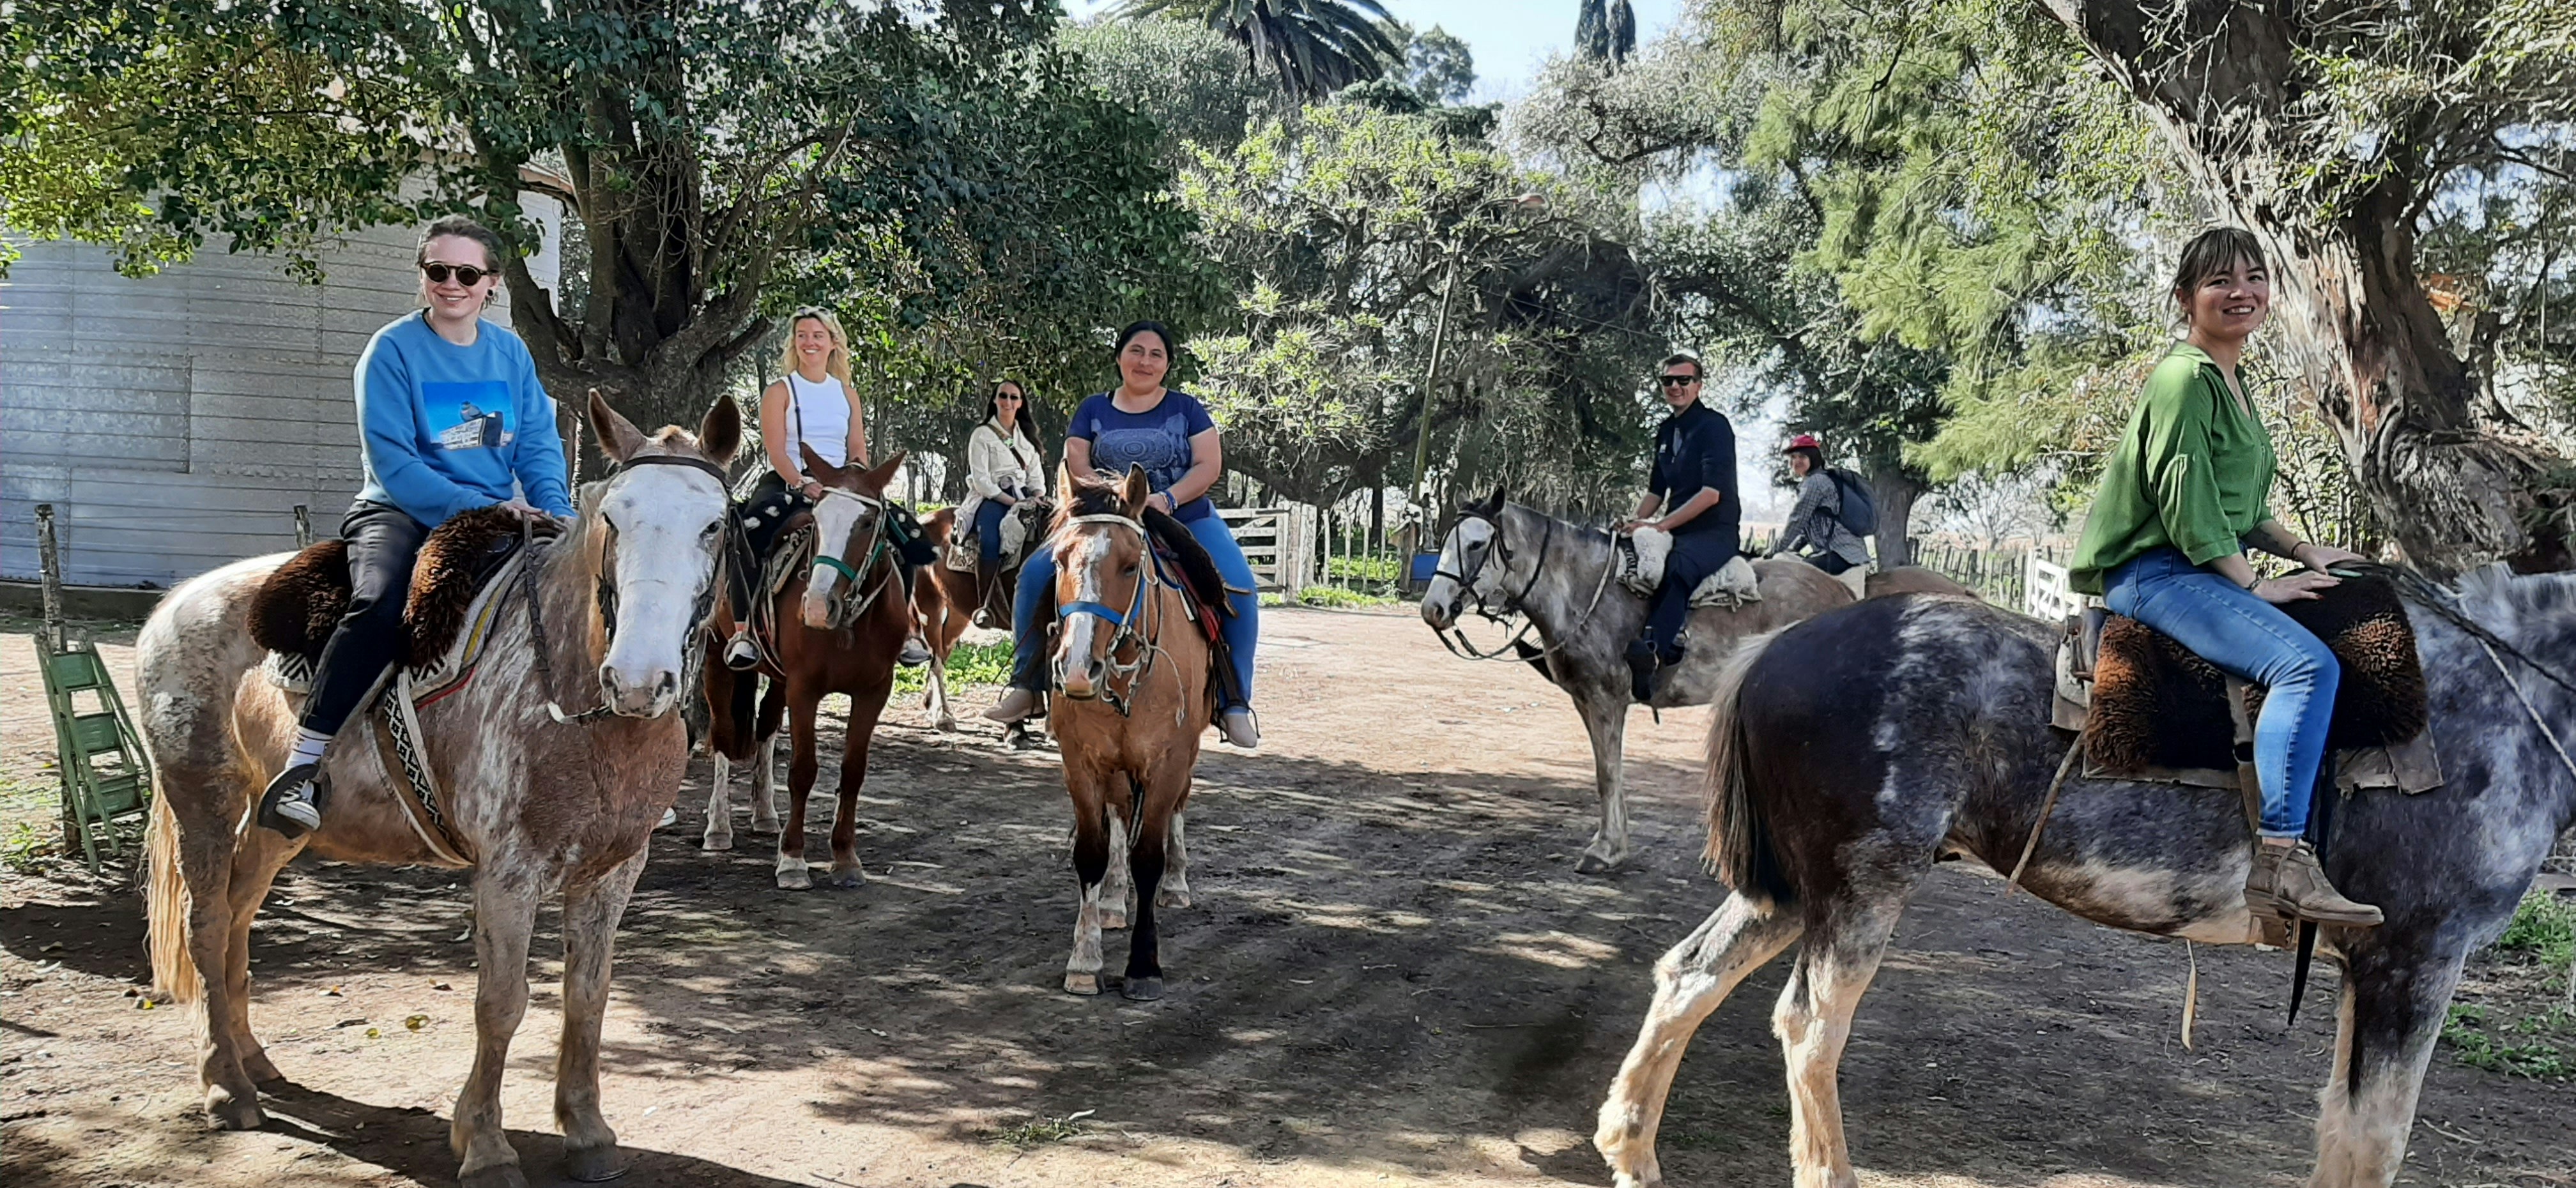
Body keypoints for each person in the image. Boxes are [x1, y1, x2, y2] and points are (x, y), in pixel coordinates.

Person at [2067, 225, 2378, 928]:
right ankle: (2281, 858)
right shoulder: (2184, 379)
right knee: (2305, 667)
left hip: (2191, 563)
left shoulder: (2229, 380)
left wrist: (2304, 551)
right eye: (2219, 281)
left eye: (2253, 277)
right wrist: (2251, 585)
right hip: (2155, 572)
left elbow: (2240, 506)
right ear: (2186, 298)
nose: (2241, 292)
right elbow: (2186, 501)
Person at [255, 214, 575, 836]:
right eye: (438, 271)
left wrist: (557, 511)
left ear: (492, 284)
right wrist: (483, 509)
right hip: (400, 511)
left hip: (498, 514)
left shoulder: (509, 352)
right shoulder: (391, 351)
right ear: (423, 277)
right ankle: (303, 765)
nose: (451, 283)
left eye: (466, 273)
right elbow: (395, 464)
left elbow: (537, 441)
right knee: (377, 606)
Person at [983, 322, 1262, 749]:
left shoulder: (1188, 410)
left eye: (1156, 354)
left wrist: (1166, 499)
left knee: (1239, 587)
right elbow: (1076, 462)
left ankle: (1234, 701)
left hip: (1183, 513)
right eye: (1136, 350)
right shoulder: (1094, 409)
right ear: (1119, 357)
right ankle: (1026, 684)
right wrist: (1116, 498)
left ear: (1168, 365)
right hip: (1104, 517)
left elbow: (1208, 464)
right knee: (1035, 574)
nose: (1145, 361)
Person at [720, 307, 931, 670]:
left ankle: (908, 630)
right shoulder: (780, 391)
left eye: (817, 335)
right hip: (790, 479)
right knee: (746, 536)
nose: (809, 342)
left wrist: (854, 482)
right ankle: (744, 632)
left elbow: (858, 450)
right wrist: (804, 483)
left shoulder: (846, 394)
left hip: (843, 487)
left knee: (907, 535)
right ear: (794, 342)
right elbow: (775, 449)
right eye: (802, 335)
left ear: (833, 343)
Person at [1615, 353, 1742, 703]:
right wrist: (1633, 521)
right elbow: (1657, 490)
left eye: (1683, 380)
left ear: (1698, 385)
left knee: (1677, 568)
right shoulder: (1666, 430)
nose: (1675, 387)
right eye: (1668, 381)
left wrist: (1661, 526)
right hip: (1675, 526)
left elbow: (1711, 494)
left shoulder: (1715, 427)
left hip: (1714, 531)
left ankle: (1655, 650)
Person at [959, 378, 1048, 616]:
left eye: (1013, 397)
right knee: (990, 540)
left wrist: (1037, 497)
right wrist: (1013, 503)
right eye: (1003, 396)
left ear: (1020, 404)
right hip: (994, 498)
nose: (1008, 401)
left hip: (1027, 496)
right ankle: (984, 606)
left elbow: (1037, 480)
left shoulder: (1027, 441)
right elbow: (982, 480)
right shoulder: (982, 435)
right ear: (995, 400)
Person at [1767, 434, 1872, 575]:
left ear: (1814, 458)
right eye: (1793, 457)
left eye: (1802, 457)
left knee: (1792, 575)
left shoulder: (1815, 482)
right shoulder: (1818, 480)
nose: (1796, 461)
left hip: (1841, 555)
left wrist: (1772, 552)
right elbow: (1806, 529)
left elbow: (1797, 521)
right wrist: (1793, 549)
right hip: (1844, 553)